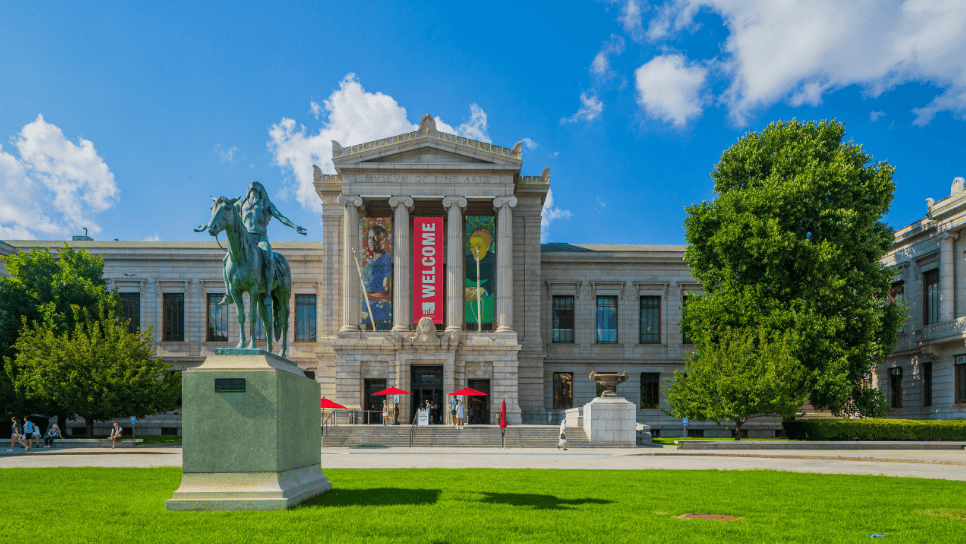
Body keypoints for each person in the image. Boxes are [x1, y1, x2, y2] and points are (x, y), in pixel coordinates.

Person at [217, 181, 306, 308]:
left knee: (268, 257)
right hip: (246, 240)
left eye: (256, 187)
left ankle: (268, 294)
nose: (253, 186)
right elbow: (226, 213)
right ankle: (228, 294)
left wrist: (295, 226)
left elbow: (280, 217)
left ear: (261, 190)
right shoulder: (241, 204)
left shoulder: (266, 204)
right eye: (250, 187)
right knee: (226, 259)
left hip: (261, 238)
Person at [361, 224, 392, 329]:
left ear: (384, 240)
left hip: (382, 316)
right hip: (368, 315)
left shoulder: (386, 259)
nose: (372, 241)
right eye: (369, 238)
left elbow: (387, 294)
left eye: (376, 238)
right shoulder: (367, 264)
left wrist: (365, 294)